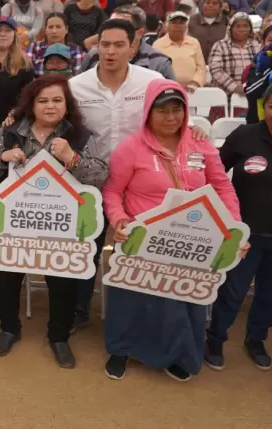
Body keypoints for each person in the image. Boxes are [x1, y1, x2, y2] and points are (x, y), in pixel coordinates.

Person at [101, 79, 240, 381]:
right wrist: (120, 219)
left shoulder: (200, 143)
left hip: (190, 238)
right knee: (132, 297)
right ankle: (122, 348)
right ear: (148, 112)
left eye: (177, 110)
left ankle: (178, 353)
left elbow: (221, 186)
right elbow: (112, 191)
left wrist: (233, 226)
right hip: (143, 237)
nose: (170, 117)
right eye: (162, 110)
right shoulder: (131, 148)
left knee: (181, 298)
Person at [0, 74, 108, 368]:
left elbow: (100, 176)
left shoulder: (80, 135)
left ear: (67, 104)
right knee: (6, 275)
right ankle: (9, 329)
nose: (50, 106)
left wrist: (71, 158)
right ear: (31, 103)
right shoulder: (11, 132)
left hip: (61, 225)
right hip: (15, 223)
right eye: (43, 101)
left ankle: (59, 336)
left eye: (57, 100)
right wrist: (3, 158)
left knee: (63, 281)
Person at [68, 19, 165, 330]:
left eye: (118, 45)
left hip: (138, 184)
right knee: (87, 247)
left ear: (133, 47)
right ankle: (79, 309)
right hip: (89, 181)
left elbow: (173, 120)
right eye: (104, 45)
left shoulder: (153, 81)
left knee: (134, 249)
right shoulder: (75, 86)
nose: (110, 52)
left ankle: (134, 315)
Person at [206, 79, 272, 373]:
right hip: (246, 234)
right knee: (232, 291)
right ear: (263, 107)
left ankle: (256, 339)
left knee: (270, 295)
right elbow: (215, 176)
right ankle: (215, 339)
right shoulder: (245, 136)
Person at [78, 5, 176, 79]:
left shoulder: (159, 63)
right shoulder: (94, 55)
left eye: (121, 28)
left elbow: (172, 102)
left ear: (140, 32)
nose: (112, 31)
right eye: (110, 26)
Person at [0, 16, 35, 124]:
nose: (3, 34)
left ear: (14, 34)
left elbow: (27, 97)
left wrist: (15, 113)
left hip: (12, 122)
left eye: (8, 30)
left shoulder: (25, 65)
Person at [209, 12, 261, 103]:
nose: (242, 29)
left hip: (252, 94)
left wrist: (251, 87)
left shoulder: (256, 45)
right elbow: (215, 69)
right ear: (230, 28)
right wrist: (235, 87)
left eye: (245, 26)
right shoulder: (220, 45)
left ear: (250, 29)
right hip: (224, 97)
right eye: (238, 26)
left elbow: (261, 68)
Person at [153, 11, 206, 89]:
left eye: (181, 23)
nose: (178, 26)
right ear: (167, 26)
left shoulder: (194, 42)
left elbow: (201, 67)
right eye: (174, 22)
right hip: (167, 88)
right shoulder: (158, 44)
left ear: (186, 27)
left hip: (193, 89)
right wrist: (173, 84)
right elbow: (155, 71)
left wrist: (195, 83)